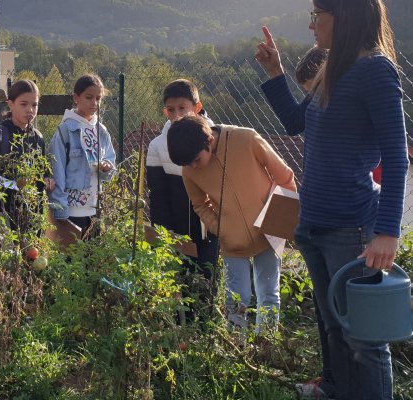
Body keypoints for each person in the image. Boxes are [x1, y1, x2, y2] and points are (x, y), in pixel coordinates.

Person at [255, 0, 407, 397]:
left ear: (344, 18)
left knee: (364, 339)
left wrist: (387, 232)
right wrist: (275, 73)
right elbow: (296, 121)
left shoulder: (376, 70)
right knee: (331, 324)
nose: (311, 26)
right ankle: (335, 390)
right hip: (313, 225)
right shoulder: (331, 69)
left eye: (316, 16)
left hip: (351, 229)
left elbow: (396, 155)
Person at [167, 115, 297, 331]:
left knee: (269, 294)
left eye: (196, 160)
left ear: (209, 141)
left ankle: (266, 347)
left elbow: (285, 177)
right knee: (236, 300)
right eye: (187, 164)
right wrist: (220, 229)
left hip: (269, 232)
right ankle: (237, 349)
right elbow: (200, 205)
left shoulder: (246, 139)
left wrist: (280, 219)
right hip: (232, 242)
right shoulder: (189, 170)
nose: (193, 167)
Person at [145, 79, 219, 324]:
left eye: (183, 108)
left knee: (208, 276)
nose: (176, 115)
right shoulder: (157, 146)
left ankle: (206, 330)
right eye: (171, 110)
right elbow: (158, 195)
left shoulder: (214, 137)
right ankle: (181, 330)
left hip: (210, 225)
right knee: (180, 279)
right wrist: (164, 234)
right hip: (176, 227)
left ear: (197, 108)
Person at [291, 45, 337, 399]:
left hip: (344, 217)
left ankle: (342, 383)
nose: (310, 101)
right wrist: (275, 72)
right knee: (326, 312)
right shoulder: (322, 105)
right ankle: (331, 381)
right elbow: (294, 122)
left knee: (341, 314)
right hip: (315, 216)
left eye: (311, 91)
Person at [47, 74, 116, 239]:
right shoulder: (65, 131)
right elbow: (57, 170)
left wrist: (106, 167)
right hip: (71, 208)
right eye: (89, 97)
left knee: (92, 256)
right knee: (72, 257)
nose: (95, 103)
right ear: (76, 98)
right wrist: (60, 206)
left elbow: (111, 162)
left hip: (94, 206)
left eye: (98, 98)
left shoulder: (101, 131)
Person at [0, 79, 54, 234]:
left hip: (34, 210)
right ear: (11, 104)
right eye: (24, 104)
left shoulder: (38, 137)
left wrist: (47, 179)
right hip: (6, 211)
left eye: (34, 105)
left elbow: (42, 169)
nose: (30, 110)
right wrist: (15, 184)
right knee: (11, 253)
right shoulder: (0, 135)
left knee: (34, 253)